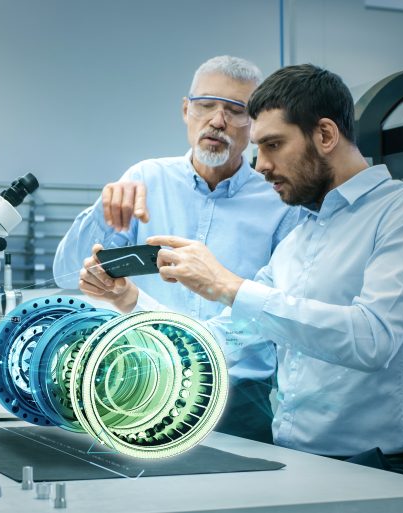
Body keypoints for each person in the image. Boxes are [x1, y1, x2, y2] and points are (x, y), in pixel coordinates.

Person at [99, 64, 403, 478]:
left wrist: (228, 286)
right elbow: (223, 339)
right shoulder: (299, 237)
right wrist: (130, 302)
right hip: (293, 463)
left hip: (374, 466)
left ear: (325, 135)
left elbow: (372, 339)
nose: (261, 166)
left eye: (273, 145)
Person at [54, 56, 300, 444]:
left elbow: (276, 308)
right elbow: (68, 275)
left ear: (254, 126)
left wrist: (196, 353)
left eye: (236, 110)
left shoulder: (279, 201)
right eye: (206, 105)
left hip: (239, 395)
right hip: (142, 384)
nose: (217, 121)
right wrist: (101, 214)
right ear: (186, 110)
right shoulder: (143, 179)